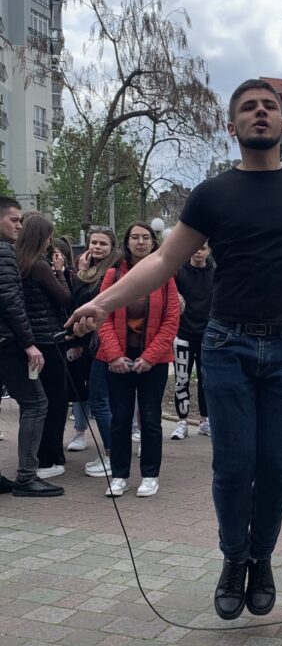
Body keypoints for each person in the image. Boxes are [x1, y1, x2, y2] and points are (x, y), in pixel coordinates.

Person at [69, 78, 282, 622]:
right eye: (249, 107)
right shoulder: (213, 194)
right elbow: (163, 262)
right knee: (232, 466)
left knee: (278, 466)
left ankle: (261, 558)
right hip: (228, 345)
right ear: (232, 126)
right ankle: (233, 559)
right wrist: (102, 303)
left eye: (269, 106)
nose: (260, 113)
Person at [95, 222, 180, 498]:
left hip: (153, 361)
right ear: (127, 242)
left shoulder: (164, 276)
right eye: (135, 237)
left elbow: (171, 320)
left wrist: (149, 357)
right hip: (117, 359)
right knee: (120, 419)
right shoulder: (113, 275)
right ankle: (119, 476)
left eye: (145, 237)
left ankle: (150, 475)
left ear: (153, 242)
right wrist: (114, 355)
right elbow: (101, 315)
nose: (140, 242)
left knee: (151, 418)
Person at [0, 197, 61, 497]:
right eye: (14, 220)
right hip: (8, 344)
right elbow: (11, 302)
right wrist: (28, 344)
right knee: (36, 403)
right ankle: (26, 476)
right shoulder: (4, 252)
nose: (19, 226)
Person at [16, 212, 71, 479]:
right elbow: (64, 299)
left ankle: (37, 455)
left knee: (33, 403)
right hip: (48, 341)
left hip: (28, 341)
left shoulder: (17, 263)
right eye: (49, 236)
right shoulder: (39, 266)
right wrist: (60, 273)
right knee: (54, 401)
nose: (51, 241)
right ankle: (49, 457)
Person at [66, 226, 118, 472]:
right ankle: (112, 453)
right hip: (90, 343)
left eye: (102, 243)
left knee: (100, 401)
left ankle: (112, 456)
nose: (97, 247)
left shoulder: (111, 272)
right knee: (98, 399)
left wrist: (81, 275)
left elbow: (87, 303)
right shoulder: (90, 271)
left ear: (112, 247)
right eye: (93, 243)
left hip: (104, 344)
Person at [171, 242, 214, 440]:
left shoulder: (215, 272)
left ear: (208, 250)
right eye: (195, 247)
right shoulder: (179, 272)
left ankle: (205, 421)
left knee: (207, 381)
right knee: (181, 379)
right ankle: (182, 421)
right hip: (183, 335)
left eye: (202, 248)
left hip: (208, 336)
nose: (198, 251)